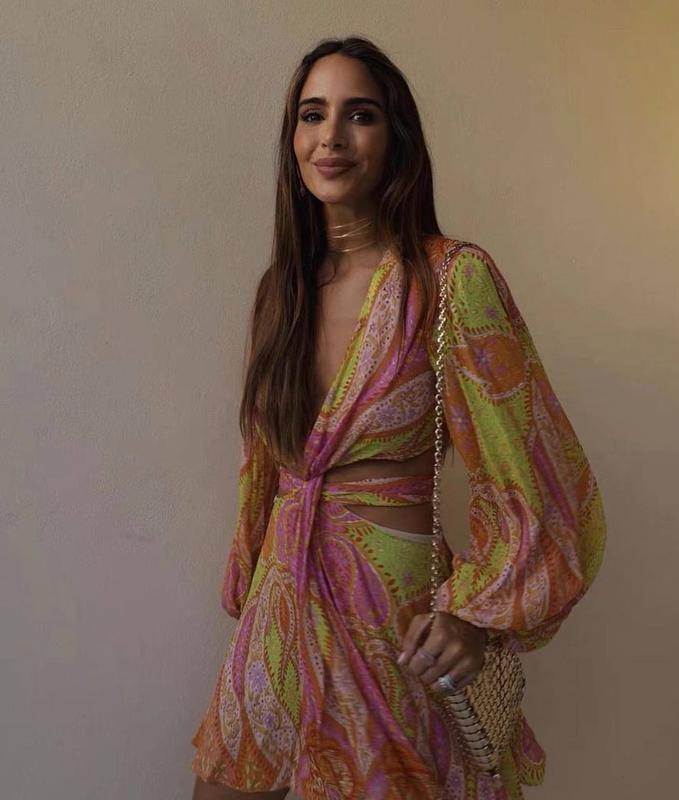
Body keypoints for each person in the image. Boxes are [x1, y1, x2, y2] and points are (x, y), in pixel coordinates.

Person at [190, 35, 607, 800]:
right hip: (280, 606)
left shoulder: (450, 279)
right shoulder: (279, 293)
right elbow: (263, 467)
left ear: (396, 139)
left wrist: (478, 615)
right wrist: (250, 578)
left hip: (394, 618)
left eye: (360, 115)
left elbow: (537, 473)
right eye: (312, 114)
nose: (331, 137)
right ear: (292, 139)